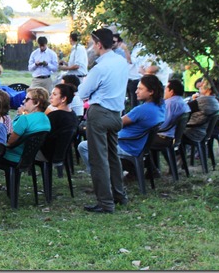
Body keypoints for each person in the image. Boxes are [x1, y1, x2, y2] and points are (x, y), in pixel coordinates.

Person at [77, 27, 129, 214]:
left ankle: (106, 203)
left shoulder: (100, 67)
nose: (92, 46)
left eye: (93, 43)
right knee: (113, 156)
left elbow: (82, 93)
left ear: (99, 44)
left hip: (100, 114)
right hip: (116, 114)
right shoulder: (121, 62)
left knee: (99, 159)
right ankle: (119, 194)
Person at [79, 75, 165, 178]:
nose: (136, 91)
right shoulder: (161, 106)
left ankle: (101, 178)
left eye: (140, 89)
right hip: (138, 146)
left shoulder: (142, 110)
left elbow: (117, 122)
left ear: (151, 91)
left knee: (83, 146)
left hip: (127, 147)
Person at [0, 87, 51, 166]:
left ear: (37, 103)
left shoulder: (24, 119)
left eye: (27, 99)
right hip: (28, 157)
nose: (23, 101)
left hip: (12, 157)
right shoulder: (45, 118)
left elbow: (9, 142)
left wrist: (18, 116)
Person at [37, 83, 79, 162]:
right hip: (61, 154)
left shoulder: (55, 116)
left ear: (63, 99)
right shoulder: (73, 114)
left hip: (47, 154)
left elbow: (38, 133)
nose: (50, 97)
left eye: (54, 94)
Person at [150, 79, 191, 151]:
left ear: (171, 92)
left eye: (166, 89)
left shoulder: (170, 103)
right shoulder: (183, 102)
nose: (164, 91)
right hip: (174, 137)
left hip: (164, 137)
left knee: (139, 138)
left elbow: (164, 124)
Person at [184, 78, 219, 143]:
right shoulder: (215, 101)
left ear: (209, 88)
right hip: (203, 133)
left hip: (191, 133)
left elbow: (182, 110)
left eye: (203, 83)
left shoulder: (202, 101)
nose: (200, 85)